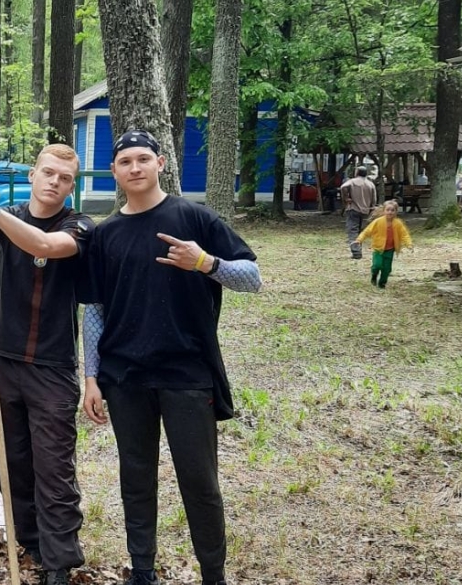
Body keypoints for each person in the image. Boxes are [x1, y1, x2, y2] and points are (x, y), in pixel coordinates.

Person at [78, 130, 262, 585]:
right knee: (135, 480)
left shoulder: (194, 218)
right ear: (115, 172)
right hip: (126, 378)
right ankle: (142, 572)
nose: (134, 168)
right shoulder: (106, 234)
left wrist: (207, 263)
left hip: (187, 374)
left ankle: (213, 575)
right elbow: (95, 311)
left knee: (200, 483)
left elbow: (253, 277)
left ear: (161, 163)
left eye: (143, 159)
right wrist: (92, 377)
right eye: (125, 162)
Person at [0, 143, 94, 585]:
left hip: (52, 367)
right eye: (48, 173)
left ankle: (59, 561)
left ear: (72, 185)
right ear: (32, 174)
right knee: (12, 461)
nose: (54, 182)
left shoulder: (81, 225)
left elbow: (46, 246)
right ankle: (30, 539)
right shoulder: (9, 213)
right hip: (4, 363)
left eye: (64, 178)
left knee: (53, 467)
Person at [356, 200, 413, 288]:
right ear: (384, 211)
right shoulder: (378, 221)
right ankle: (374, 275)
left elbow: (404, 234)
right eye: (388, 210)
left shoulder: (398, 223)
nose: (390, 212)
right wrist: (359, 239)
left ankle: (382, 283)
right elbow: (367, 231)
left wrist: (409, 244)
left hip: (390, 250)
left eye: (392, 210)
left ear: (396, 212)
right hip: (378, 249)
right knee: (377, 265)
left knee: (387, 269)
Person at [340, 166, 377, 259]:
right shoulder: (370, 184)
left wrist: (346, 198)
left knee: (353, 230)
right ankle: (358, 248)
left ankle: (356, 252)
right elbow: (374, 199)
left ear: (357, 172)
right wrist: (372, 208)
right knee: (361, 231)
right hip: (366, 210)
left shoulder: (352, 181)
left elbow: (343, 187)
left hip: (353, 208)